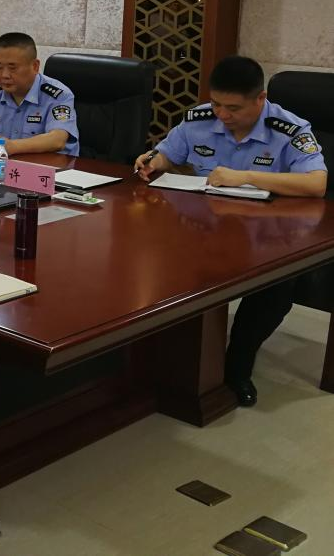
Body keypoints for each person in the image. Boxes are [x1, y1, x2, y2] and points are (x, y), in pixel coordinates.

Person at [135, 55, 327, 406]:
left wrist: (246, 177)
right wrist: (152, 161)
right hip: (205, 229)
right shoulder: (199, 118)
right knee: (155, 256)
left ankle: (238, 364)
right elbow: (168, 154)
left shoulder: (290, 130)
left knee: (275, 290)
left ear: (260, 98)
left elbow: (316, 184)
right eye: (216, 104)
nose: (222, 114)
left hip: (266, 237)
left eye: (233, 108)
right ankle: (162, 361)